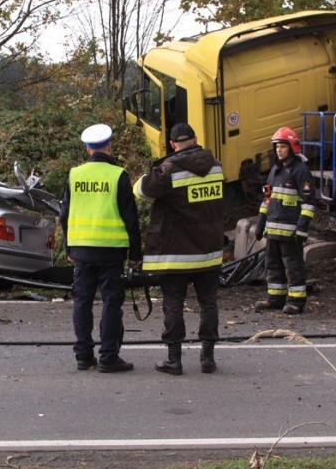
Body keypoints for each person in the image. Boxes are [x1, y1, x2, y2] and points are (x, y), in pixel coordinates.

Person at [133, 123, 225, 375]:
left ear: (172, 144)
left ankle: (174, 359)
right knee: (208, 303)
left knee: (173, 302)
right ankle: (208, 358)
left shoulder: (169, 169)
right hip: (210, 250)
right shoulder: (216, 166)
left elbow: (141, 190)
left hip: (177, 252)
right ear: (196, 138)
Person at [60, 123, 142, 373]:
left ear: (87, 149)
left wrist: (69, 247)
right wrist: (136, 255)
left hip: (81, 250)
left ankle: (84, 355)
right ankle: (108, 356)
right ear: (109, 146)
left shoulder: (74, 175)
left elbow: (64, 214)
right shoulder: (118, 175)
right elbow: (131, 218)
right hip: (111, 251)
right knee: (111, 303)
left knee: (82, 302)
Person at [253, 127, 316, 315]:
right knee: (272, 264)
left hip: (290, 231)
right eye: (277, 147)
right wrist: (260, 222)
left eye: (282, 146)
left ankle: (296, 301)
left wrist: (302, 228)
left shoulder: (301, 171)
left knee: (293, 266)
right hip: (273, 229)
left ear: (292, 147)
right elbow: (267, 199)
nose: (279, 150)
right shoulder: (275, 170)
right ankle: (275, 297)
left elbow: (308, 203)